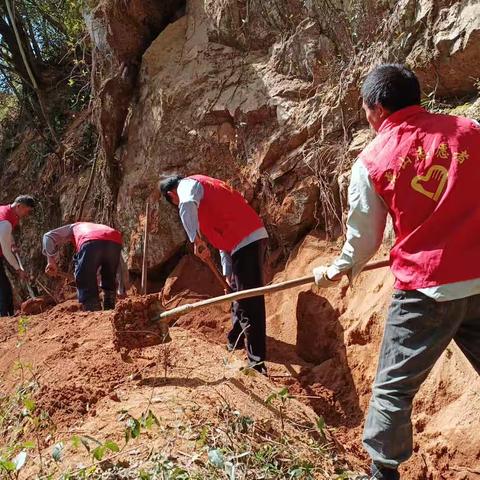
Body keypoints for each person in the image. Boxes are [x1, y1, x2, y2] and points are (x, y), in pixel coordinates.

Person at [312, 64, 480, 479]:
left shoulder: (372, 159)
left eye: (366, 109)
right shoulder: (471, 131)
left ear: (378, 108)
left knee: (393, 388)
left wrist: (340, 268)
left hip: (425, 291)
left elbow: (364, 238)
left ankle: (382, 472)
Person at [159, 174, 269, 374]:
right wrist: (228, 274)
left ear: (171, 194)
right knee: (237, 293)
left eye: (174, 202)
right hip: (241, 243)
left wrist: (196, 241)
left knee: (249, 300)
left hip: (246, 239)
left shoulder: (187, 186)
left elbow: (186, 206)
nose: (177, 205)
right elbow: (222, 244)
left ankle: (257, 364)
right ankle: (235, 340)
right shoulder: (205, 197)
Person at [43, 222, 124, 311]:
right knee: (109, 276)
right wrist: (121, 289)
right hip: (116, 240)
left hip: (90, 240)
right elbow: (118, 264)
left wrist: (51, 261)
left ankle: (93, 309)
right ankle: (110, 307)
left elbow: (48, 236)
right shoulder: (103, 229)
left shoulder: (73, 227)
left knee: (84, 276)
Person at [0, 195, 36, 316]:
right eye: (27, 210)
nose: (27, 214)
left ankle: (7, 315)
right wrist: (18, 269)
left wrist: (12, 243)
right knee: (3, 288)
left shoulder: (8, 212)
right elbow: (6, 251)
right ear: (19, 206)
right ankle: (4, 318)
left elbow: (5, 234)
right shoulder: (6, 220)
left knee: (4, 286)